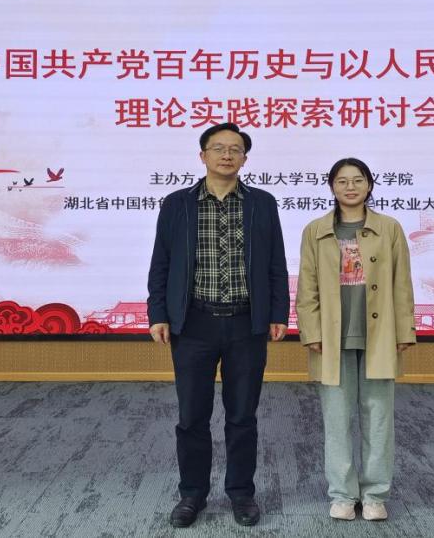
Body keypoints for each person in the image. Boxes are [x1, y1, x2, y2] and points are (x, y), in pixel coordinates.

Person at [147, 122, 290, 528]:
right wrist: (158, 312)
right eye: (218, 148)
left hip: (246, 324)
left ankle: (241, 493)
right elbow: (161, 262)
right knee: (192, 416)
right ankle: (192, 493)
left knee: (242, 416)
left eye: (235, 149)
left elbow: (276, 263)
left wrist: (278, 312)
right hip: (193, 324)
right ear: (203, 155)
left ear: (245, 158)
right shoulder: (177, 204)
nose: (227, 155)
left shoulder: (263, 203)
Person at [296, 157, 416, 522]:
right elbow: (307, 286)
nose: (350, 187)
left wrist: (404, 330)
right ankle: (343, 495)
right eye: (342, 181)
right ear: (332, 187)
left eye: (358, 180)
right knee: (336, 419)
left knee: (378, 418)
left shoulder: (389, 228)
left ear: (369, 185)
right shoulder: (316, 230)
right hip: (331, 338)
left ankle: (375, 494)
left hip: (380, 335)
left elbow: (401, 283)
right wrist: (311, 331)